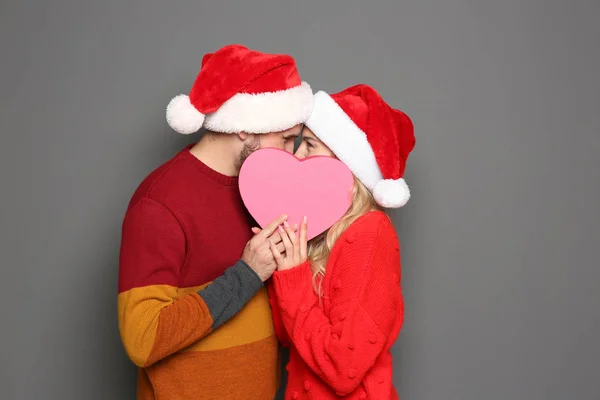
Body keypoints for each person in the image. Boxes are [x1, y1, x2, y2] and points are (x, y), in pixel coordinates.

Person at [117, 44, 313, 400]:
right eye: (285, 139)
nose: (291, 154)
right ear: (244, 127)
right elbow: (142, 339)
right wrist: (247, 274)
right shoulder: (159, 205)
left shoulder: (264, 192)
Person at [265, 84, 416, 399]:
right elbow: (284, 335)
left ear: (347, 162)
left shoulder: (371, 234)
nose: (296, 155)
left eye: (309, 145)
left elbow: (342, 368)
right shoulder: (318, 234)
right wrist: (280, 261)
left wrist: (292, 277)